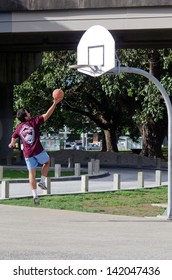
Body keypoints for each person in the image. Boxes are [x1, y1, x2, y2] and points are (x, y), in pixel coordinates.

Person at [8, 94, 63, 205]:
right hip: (37, 150)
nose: (29, 113)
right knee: (47, 162)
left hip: (27, 154)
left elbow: (14, 136)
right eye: (27, 112)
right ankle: (42, 181)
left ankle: (35, 195)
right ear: (26, 117)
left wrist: (11, 144)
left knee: (31, 174)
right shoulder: (34, 122)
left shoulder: (19, 127)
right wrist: (54, 103)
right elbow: (47, 114)